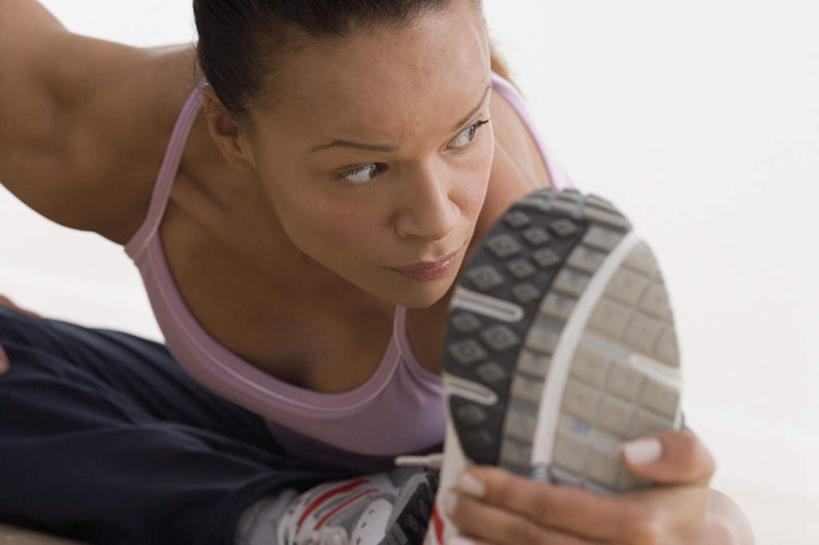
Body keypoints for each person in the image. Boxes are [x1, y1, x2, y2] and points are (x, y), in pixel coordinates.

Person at [0, 1, 754, 544]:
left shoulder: (515, 251)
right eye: (363, 168)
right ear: (231, 134)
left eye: (465, 131)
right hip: (275, 443)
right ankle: (326, 517)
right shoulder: (105, 137)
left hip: (448, 473)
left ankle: (323, 518)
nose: (435, 218)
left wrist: (705, 525)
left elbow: (680, 506)